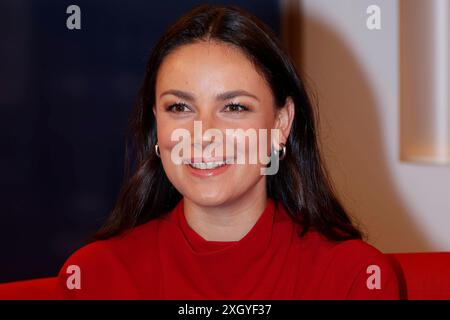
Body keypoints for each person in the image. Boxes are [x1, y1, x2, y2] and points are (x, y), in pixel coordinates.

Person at [57, 4, 399, 299]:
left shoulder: (353, 278)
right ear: (156, 122)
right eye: (179, 108)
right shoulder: (95, 276)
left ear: (281, 123)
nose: (203, 134)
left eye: (234, 108)